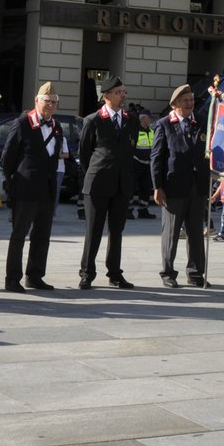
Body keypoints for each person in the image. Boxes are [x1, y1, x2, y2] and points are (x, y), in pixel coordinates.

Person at [1, 82, 64, 293]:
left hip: (47, 190)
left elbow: (54, 159)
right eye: (47, 101)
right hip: (25, 189)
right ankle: (12, 278)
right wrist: (14, 184)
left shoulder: (57, 127)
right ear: (36, 101)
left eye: (55, 102)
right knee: (19, 234)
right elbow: (7, 158)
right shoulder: (22, 124)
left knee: (42, 235)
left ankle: (35, 275)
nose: (51, 106)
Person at [77, 74, 137, 290]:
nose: (123, 96)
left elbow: (131, 148)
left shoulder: (131, 119)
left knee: (116, 231)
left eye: (124, 92)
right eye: (119, 92)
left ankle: (114, 273)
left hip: (121, 184)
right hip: (98, 184)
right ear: (107, 96)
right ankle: (87, 273)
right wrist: (94, 173)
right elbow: (84, 154)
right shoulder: (93, 120)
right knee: (93, 231)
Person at [151, 83, 210, 288]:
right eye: (186, 101)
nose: (190, 104)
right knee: (171, 232)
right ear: (175, 104)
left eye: (192, 100)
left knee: (195, 232)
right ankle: (168, 273)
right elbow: (157, 157)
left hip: (198, 186)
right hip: (174, 186)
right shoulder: (165, 124)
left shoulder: (202, 122)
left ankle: (195, 273)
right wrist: (157, 186)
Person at [130, 109, 157, 220]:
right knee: (131, 188)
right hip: (136, 164)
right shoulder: (135, 131)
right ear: (143, 118)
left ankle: (143, 210)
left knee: (146, 188)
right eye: (149, 118)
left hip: (148, 165)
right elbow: (130, 147)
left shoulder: (151, 131)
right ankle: (127, 210)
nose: (151, 120)